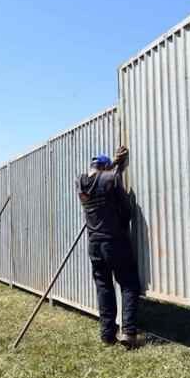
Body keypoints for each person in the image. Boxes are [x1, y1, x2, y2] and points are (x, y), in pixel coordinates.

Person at [76, 146, 140, 348]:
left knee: (104, 287)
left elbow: (99, 176)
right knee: (128, 283)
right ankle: (128, 333)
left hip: (94, 243)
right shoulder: (111, 179)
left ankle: (107, 334)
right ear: (105, 167)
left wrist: (113, 163)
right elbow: (127, 210)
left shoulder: (80, 182)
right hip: (114, 241)